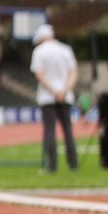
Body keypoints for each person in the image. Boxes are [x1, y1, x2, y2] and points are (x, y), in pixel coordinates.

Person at [30, 22, 79, 173]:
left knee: (50, 131)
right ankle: (73, 165)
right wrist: (64, 91)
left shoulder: (39, 51)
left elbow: (38, 74)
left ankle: (52, 166)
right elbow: (73, 72)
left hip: (47, 97)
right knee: (68, 131)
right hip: (65, 96)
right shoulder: (66, 49)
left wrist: (53, 91)